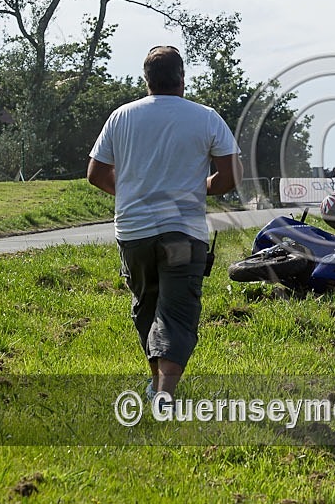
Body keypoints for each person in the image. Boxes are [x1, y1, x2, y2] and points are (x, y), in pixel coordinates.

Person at [87, 45, 242, 402]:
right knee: (177, 311)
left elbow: (95, 173)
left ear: (147, 81)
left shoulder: (121, 116)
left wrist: (129, 194)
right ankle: (165, 395)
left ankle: (157, 385)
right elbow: (230, 176)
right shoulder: (205, 117)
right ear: (182, 78)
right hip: (182, 234)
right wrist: (204, 187)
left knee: (147, 305)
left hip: (134, 232)